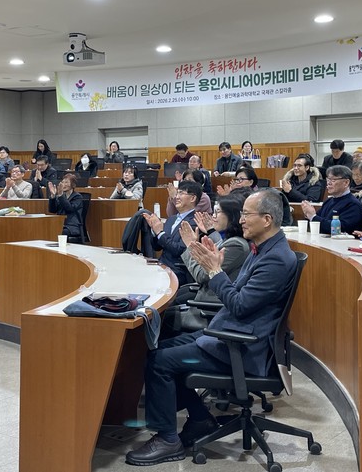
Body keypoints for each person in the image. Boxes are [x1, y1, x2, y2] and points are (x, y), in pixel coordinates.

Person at [125, 189, 297, 466]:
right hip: (228, 334)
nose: (241, 220)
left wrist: (215, 271)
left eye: (247, 214)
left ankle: (168, 439)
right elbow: (238, 294)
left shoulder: (275, 258)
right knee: (159, 348)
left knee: (160, 362)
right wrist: (213, 264)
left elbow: (239, 305)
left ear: (267, 219)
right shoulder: (263, 247)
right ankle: (200, 419)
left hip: (241, 347)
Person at [165, 195, 251, 334]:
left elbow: (201, 276)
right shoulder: (230, 240)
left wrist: (190, 246)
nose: (213, 216)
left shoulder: (236, 245)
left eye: (217, 212)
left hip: (210, 311)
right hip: (205, 301)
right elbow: (214, 250)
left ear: (231, 216)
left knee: (159, 318)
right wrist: (204, 236)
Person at [144, 180, 202, 286]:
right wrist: (154, 230)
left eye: (181, 193)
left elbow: (178, 250)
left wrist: (160, 232)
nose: (177, 197)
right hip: (161, 265)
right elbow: (157, 247)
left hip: (177, 271)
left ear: (193, 198)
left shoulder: (194, 222)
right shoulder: (171, 219)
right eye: (177, 193)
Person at [300, 165, 362, 234]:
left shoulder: (353, 204)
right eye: (328, 179)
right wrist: (308, 214)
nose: (329, 183)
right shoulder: (328, 201)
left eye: (333, 180)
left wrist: (313, 216)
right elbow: (317, 220)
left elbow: (341, 229)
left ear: (346, 182)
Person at [47, 173, 84, 240]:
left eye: (66, 182)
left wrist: (60, 195)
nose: (63, 184)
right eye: (63, 182)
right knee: (46, 229)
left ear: (73, 185)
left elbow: (69, 209)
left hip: (71, 226)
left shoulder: (77, 197)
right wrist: (53, 196)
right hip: (60, 223)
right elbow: (52, 210)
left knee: (62, 232)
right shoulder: (61, 196)